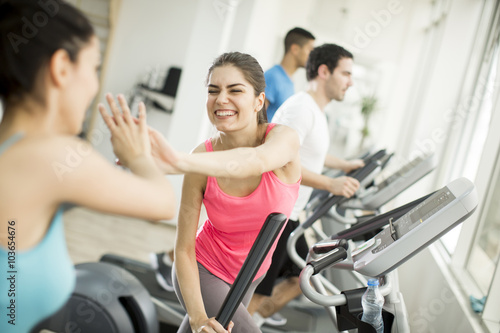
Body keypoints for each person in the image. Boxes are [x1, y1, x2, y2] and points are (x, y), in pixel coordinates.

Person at [0, 1, 177, 332]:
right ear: (62, 67)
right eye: (94, 69)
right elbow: (162, 203)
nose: (95, 86)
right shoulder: (51, 157)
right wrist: (138, 156)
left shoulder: (16, 152)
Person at [141, 52, 302, 333]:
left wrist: (179, 161)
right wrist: (197, 317)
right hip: (205, 268)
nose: (221, 99)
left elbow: (255, 161)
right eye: (213, 91)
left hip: (250, 275)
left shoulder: (282, 140)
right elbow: (183, 247)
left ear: (259, 101)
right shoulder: (202, 157)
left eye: (235, 90)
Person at [247, 43, 364, 327]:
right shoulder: (302, 109)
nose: (350, 82)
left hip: (289, 213)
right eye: (346, 73)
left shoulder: (314, 109)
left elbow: (311, 153)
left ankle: (256, 319)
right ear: (325, 71)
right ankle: (243, 320)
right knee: (254, 292)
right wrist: (330, 183)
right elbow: (284, 159)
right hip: (274, 214)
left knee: (306, 275)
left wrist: (344, 165)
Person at [265, 27, 315, 121]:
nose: (312, 56)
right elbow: (255, 120)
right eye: (310, 50)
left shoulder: (289, 80)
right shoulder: (272, 76)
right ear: (295, 49)